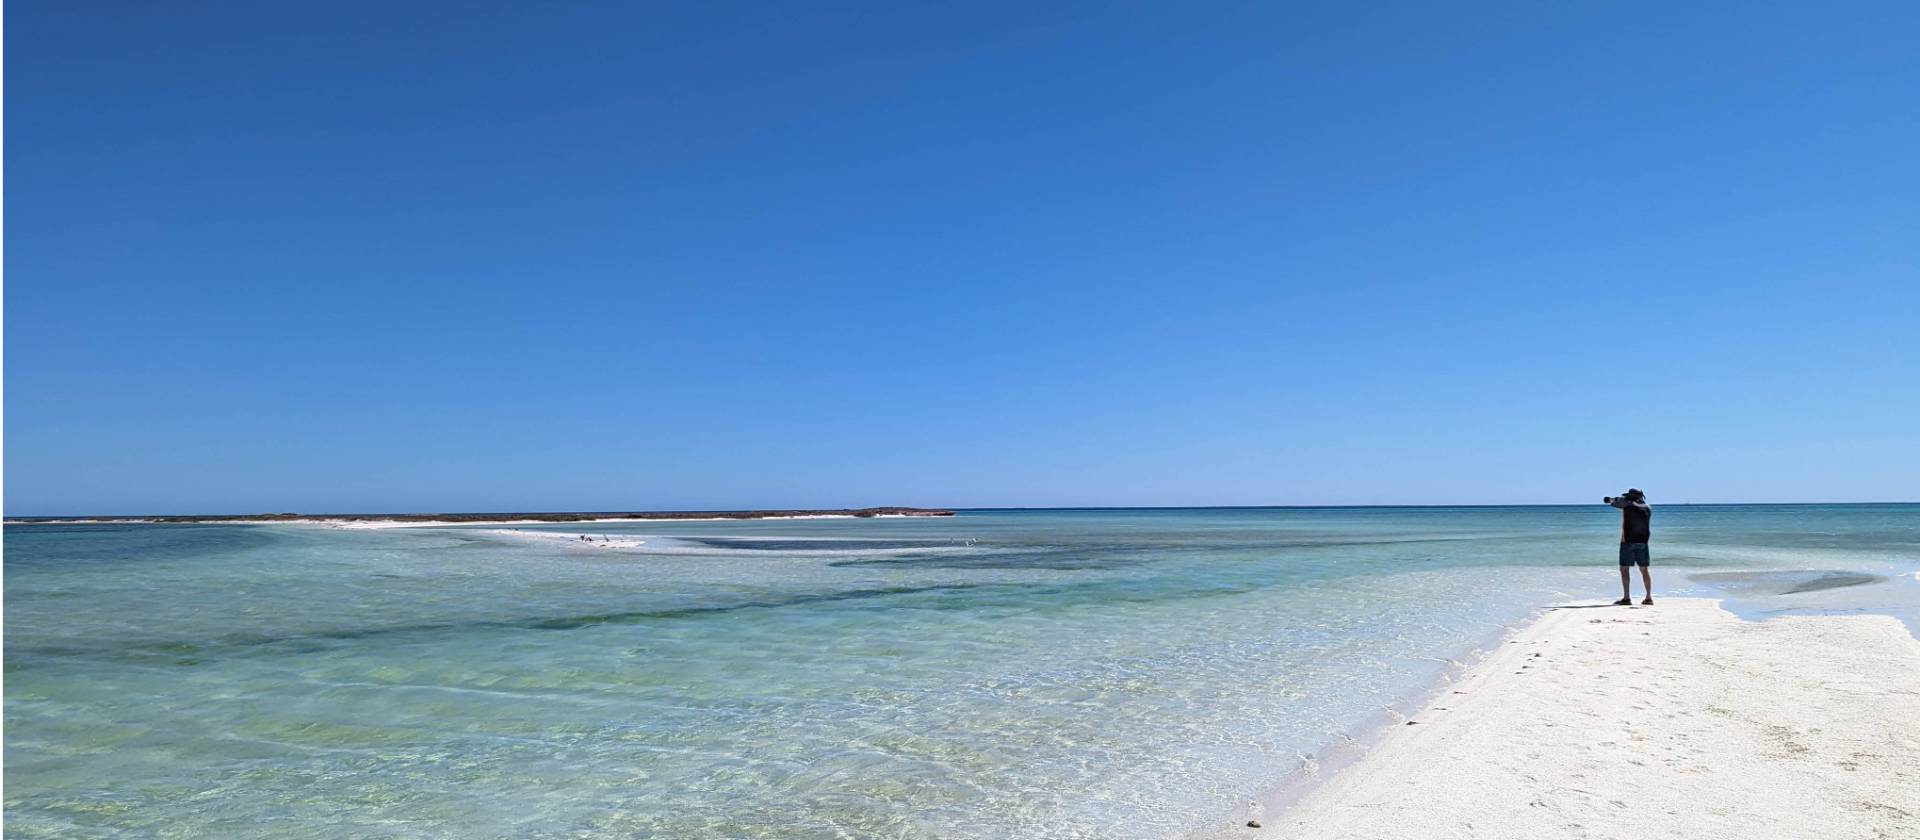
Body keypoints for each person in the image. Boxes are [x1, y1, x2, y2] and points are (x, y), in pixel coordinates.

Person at [1606, 488, 1653, 605]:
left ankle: (1626, 598)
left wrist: (1617, 499)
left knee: (1624, 568)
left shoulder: (1627, 505)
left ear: (1631, 497)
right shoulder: (1648, 507)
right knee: (1644, 570)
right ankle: (1648, 597)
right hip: (1643, 542)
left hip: (1628, 541)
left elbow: (1612, 503)